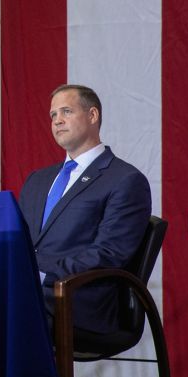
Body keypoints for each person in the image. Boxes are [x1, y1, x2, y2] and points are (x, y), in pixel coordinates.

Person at [18, 85, 151, 334]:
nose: (57, 121)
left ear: (92, 116)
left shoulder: (125, 179)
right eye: (53, 115)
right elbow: (19, 240)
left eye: (66, 111)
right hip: (30, 290)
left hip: (78, 298)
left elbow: (109, 253)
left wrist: (42, 274)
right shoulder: (37, 180)